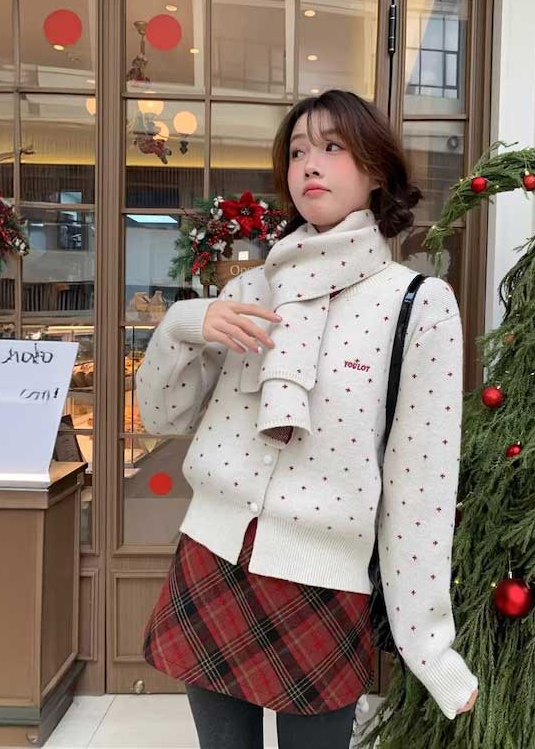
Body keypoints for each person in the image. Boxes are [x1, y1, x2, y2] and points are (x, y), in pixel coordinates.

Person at [138, 89, 478, 749]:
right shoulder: (247, 290)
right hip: (210, 556)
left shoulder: (417, 304)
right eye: (297, 152)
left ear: (375, 171)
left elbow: (422, 488)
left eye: (331, 147)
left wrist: (429, 643)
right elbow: (162, 415)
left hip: (323, 581)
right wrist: (183, 324)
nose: (309, 165)